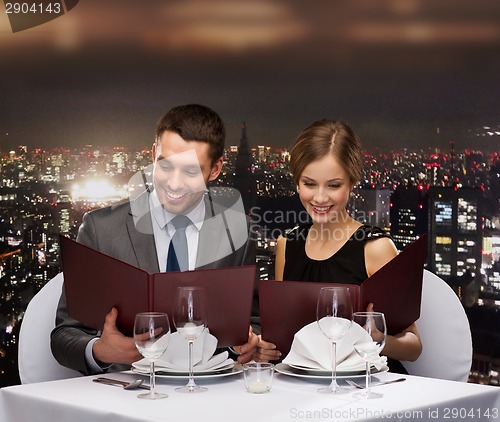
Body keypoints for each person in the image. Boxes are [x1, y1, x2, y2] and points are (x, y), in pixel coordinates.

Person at [51, 104, 278, 375]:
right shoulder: (101, 229)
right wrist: (99, 350)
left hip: (207, 395)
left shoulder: (237, 232)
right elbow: (64, 334)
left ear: (215, 169)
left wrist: (246, 344)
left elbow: (251, 322)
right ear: (153, 154)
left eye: (191, 171)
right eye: (165, 165)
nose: (174, 183)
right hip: (127, 399)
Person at [253, 119, 422, 372]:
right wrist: (266, 347)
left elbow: (414, 346)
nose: (320, 198)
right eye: (309, 184)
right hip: (302, 388)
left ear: (351, 183)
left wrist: (377, 339)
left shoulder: (375, 248)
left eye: (334, 185)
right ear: (297, 182)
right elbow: (284, 338)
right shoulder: (286, 245)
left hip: (363, 389)